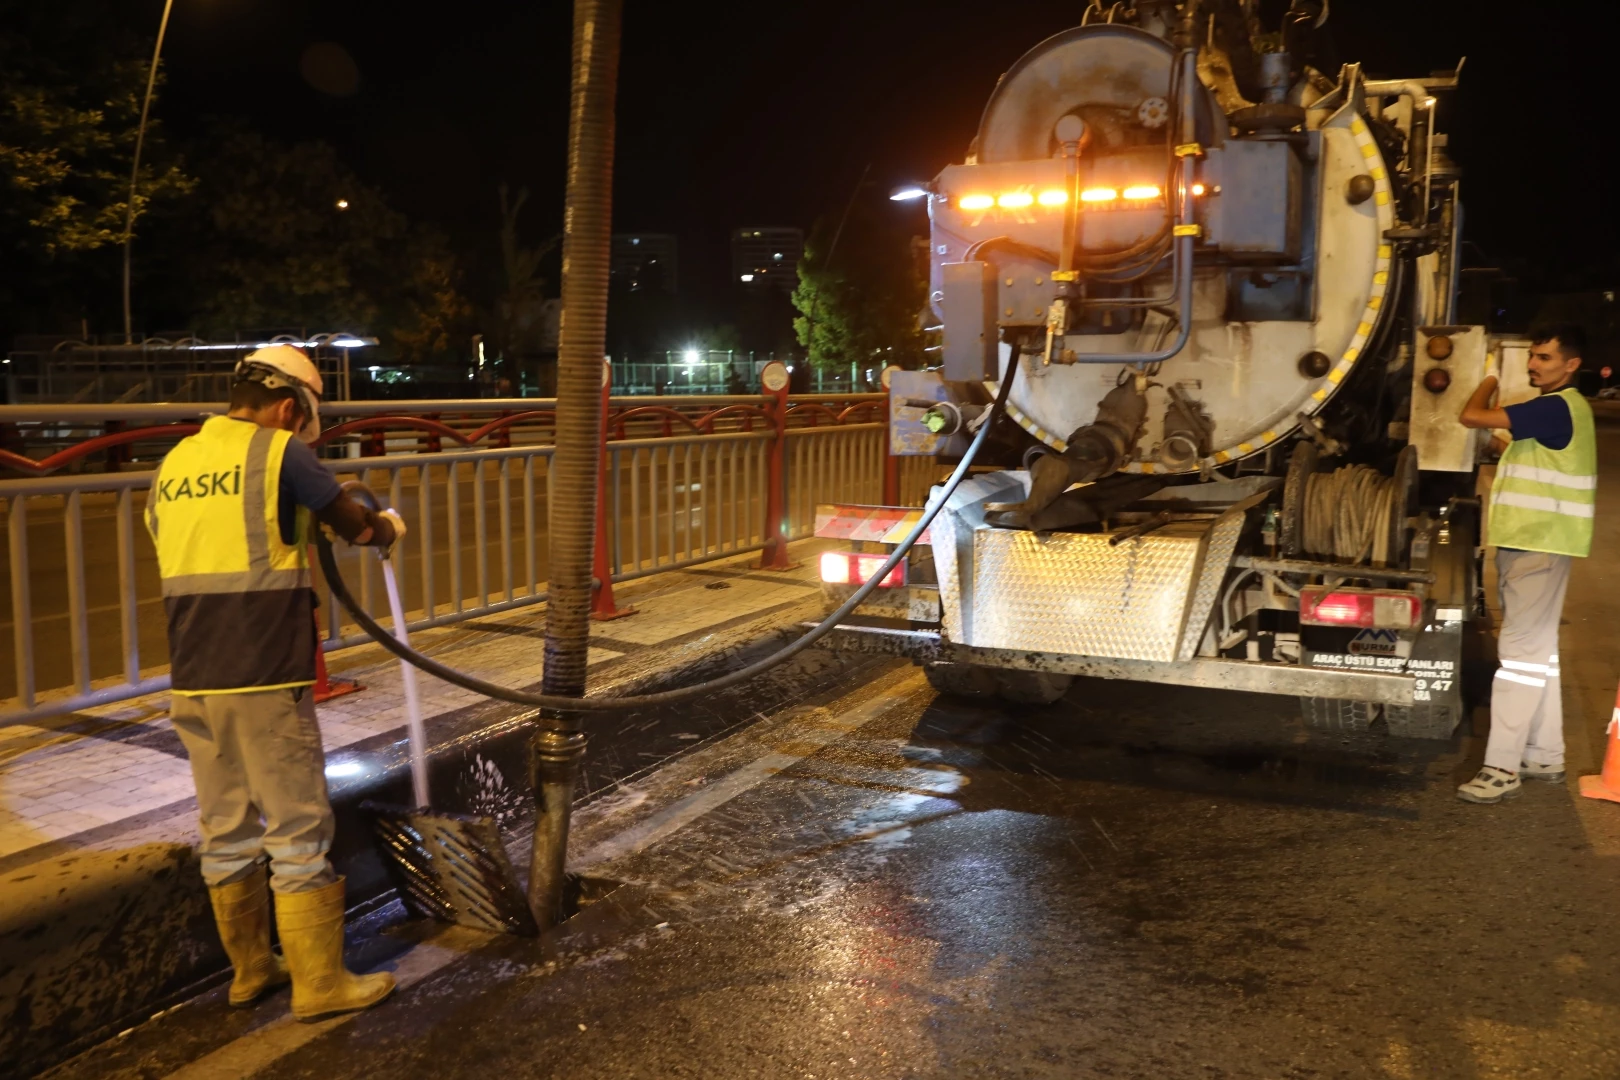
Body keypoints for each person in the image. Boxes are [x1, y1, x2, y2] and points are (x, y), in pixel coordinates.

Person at [145, 345, 406, 1020]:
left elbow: (193, 536)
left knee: (226, 827)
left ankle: (251, 970)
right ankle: (320, 985)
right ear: (290, 408)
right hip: (262, 668)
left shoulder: (176, 462)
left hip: (193, 675)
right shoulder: (278, 452)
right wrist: (383, 527)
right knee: (297, 828)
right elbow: (351, 522)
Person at [1455, 324, 1595, 805]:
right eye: (1533, 357)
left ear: (1571, 365)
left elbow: (1470, 415)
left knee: (1517, 657)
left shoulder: (1555, 407)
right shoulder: (1553, 415)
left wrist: (1489, 377)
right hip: (1534, 544)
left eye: (1545, 359)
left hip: (1541, 544)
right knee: (1538, 654)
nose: (1534, 365)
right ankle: (1544, 754)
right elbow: (1510, 449)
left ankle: (1501, 768)